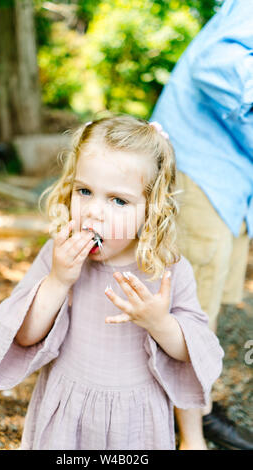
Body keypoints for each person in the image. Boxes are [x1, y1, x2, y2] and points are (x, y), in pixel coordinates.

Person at [0, 115, 223, 450]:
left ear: (152, 209)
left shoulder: (166, 269)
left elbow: (196, 353)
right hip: (68, 416)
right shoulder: (59, 257)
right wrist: (57, 281)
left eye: (118, 200)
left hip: (137, 423)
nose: (93, 212)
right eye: (84, 191)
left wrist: (160, 323)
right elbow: (23, 336)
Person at [150, 0, 253, 450]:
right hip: (200, 174)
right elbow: (215, 63)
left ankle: (195, 405)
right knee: (189, 311)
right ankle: (185, 421)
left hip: (227, 183)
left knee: (204, 308)